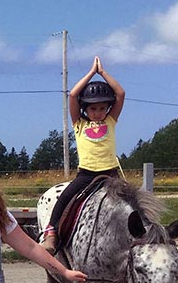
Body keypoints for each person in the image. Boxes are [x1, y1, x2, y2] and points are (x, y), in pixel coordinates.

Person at [42, 56, 125, 252]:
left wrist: (103, 73)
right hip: (86, 173)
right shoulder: (79, 124)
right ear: (85, 109)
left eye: (102, 108)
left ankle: (142, 234)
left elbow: (120, 94)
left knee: (132, 201)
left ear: (107, 108)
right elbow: (72, 96)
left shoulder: (110, 121)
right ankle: (51, 233)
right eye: (93, 108)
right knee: (64, 199)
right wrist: (90, 73)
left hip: (111, 173)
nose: (98, 112)